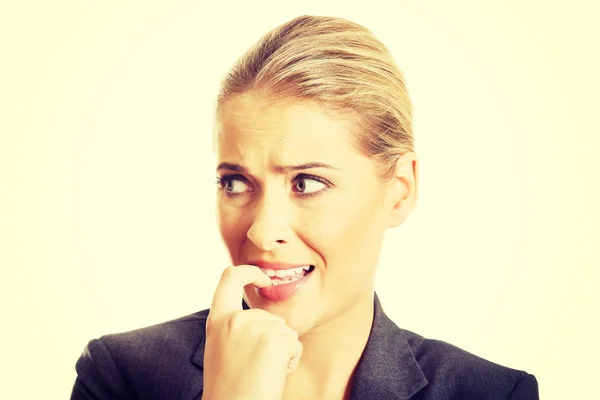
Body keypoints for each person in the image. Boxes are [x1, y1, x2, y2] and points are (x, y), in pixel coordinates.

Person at [70, 15, 539, 400]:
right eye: (235, 182)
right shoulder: (123, 378)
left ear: (398, 189)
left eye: (307, 182)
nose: (261, 231)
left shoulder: (491, 393)